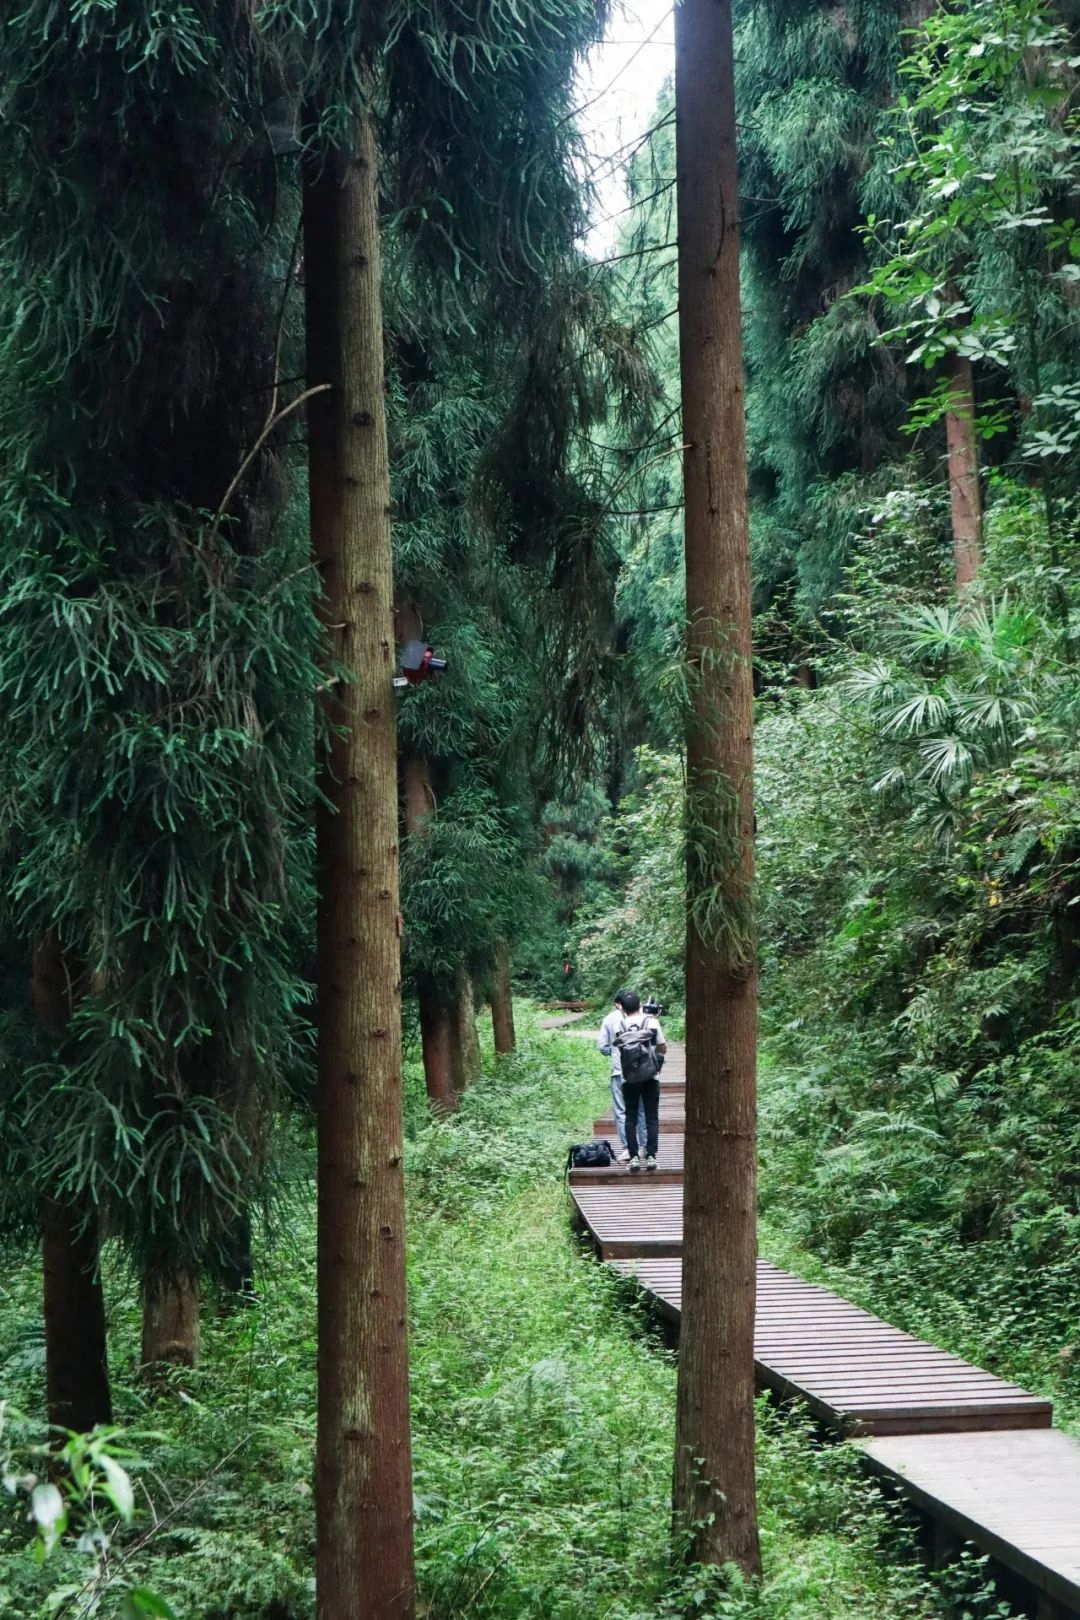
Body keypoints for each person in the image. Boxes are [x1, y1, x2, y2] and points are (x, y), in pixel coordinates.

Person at [597, 990, 666, 1171]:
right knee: (651, 1116)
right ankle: (650, 1155)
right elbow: (662, 1046)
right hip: (650, 1076)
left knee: (630, 1117)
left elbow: (614, 1048)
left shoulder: (619, 1025)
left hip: (628, 1077)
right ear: (640, 1004)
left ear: (622, 1007)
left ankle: (633, 1155)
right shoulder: (651, 1021)